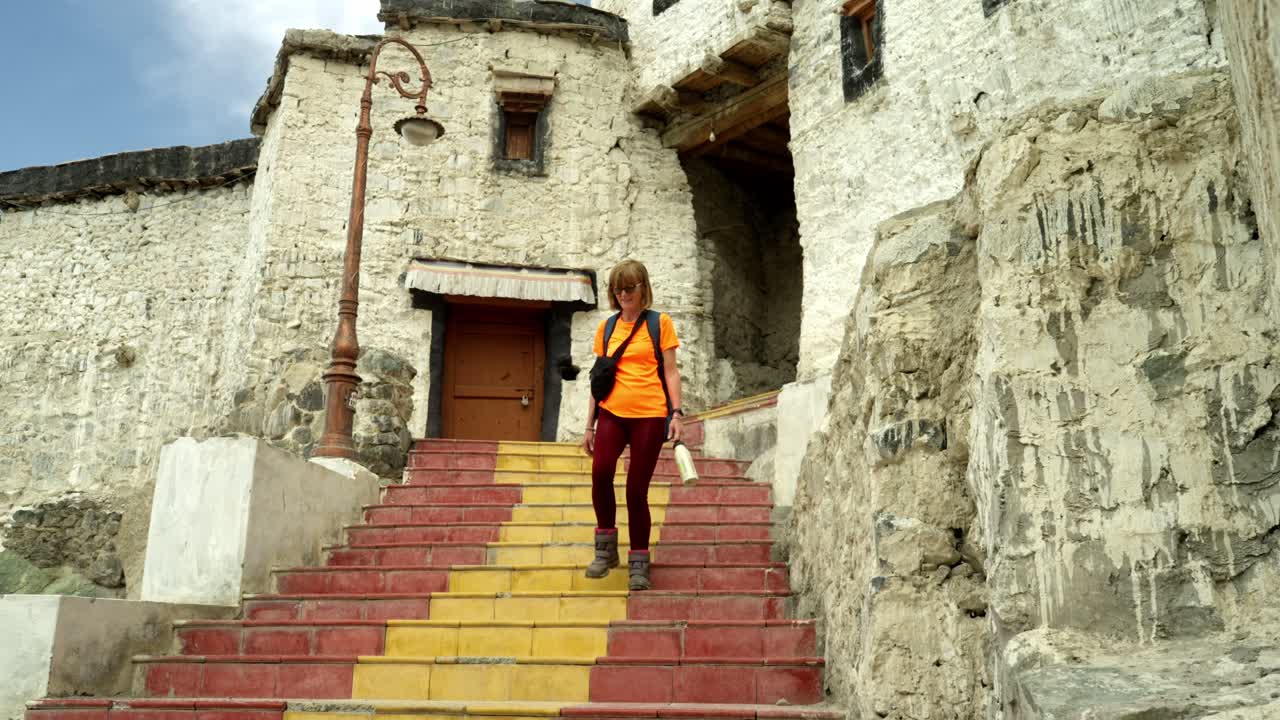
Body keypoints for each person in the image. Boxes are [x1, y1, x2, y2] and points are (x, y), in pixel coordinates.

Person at [581, 259, 684, 590]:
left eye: (629, 288)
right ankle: (605, 550)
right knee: (600, 473)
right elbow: (598, 379)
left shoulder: (659, 323)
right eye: (618, 289)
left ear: (643, 289)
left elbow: (671, 371)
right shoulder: (607, 327)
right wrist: (589, 425)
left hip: (650, 416)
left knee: (636, 490)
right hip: (612, 413)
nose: (623, 294)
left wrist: (677, 413)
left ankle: (639, 560)